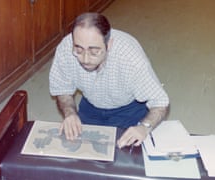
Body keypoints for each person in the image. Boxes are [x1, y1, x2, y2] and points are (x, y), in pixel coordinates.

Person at [49, 12, 169, 149]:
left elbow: (160, 102)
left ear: (109, 44)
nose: (85, 59)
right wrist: (70, 113)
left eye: (94, 51)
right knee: (81, 152)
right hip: (91, 106)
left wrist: (144, 127)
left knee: (126, 157)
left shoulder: (130, 58)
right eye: (79, 50)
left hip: (128, 110)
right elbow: (62, 89)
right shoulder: (65, 48)